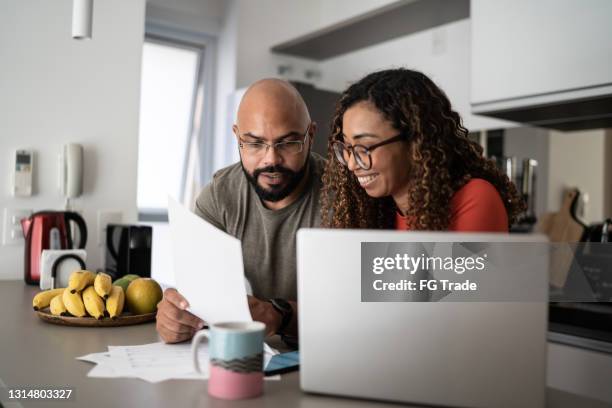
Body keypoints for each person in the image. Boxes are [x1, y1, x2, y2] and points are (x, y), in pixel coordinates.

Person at [156, 79, 325, 344]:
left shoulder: (347, 196)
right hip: (253, 356)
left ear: (311, 136)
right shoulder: (219, 196)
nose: (271, 159)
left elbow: (368, 309)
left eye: (288, 143)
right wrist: (177, 317)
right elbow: (200, 297)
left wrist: (278, 314)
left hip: (335, 351)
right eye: (255, 144)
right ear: (237, 136)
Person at [320, 68, 524, 231]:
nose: (352, 163)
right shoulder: (377, 210)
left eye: (364, 147)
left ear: (414, 141)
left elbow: (463, 284)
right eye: (347, 147)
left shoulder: (475, 198)